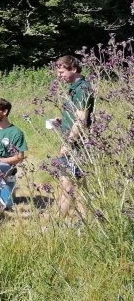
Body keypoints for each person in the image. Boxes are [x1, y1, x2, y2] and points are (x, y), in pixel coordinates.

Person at [51, 55, 95, 219]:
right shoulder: (73, 88)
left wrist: (68, 143)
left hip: (76, 144)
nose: (59, 75)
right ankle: (86, 222)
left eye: (62, 71)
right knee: (80, 185)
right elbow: (76, 115)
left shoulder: (82, 88)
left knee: (67, 184)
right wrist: (62, 120)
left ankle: (56, 223)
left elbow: (82, 120)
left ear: (74, 69)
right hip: (73, 141)